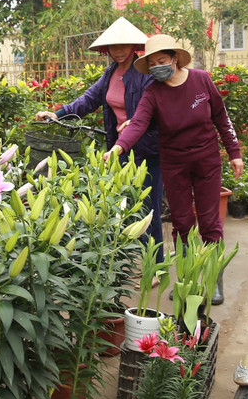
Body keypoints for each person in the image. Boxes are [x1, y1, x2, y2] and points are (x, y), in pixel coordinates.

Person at [105, 34, 243, 304]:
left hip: (207, 161)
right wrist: (119, 148)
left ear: (175, 58)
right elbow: (138, 123)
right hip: (174, 163)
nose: (158, 66)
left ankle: (214, 281)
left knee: (209, 221)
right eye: (153, 63)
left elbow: (221, 117)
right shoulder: (153, 92)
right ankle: (186, 278)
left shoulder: (201, 80)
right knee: (181, 223)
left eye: (162, 60)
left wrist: (234, 153)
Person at [35, 17, 164, 258]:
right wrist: (58, 113)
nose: (118, 51)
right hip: (119, 150)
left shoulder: (145, 74)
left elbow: (154, 109)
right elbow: (87, 101)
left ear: (134, 47)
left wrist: (135, 122)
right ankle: (135, 258)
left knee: (149, 209)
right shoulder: (110, 73)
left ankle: (155, 265)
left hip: (147, 149)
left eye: (123, 46)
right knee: (127, 206)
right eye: (113, 47)